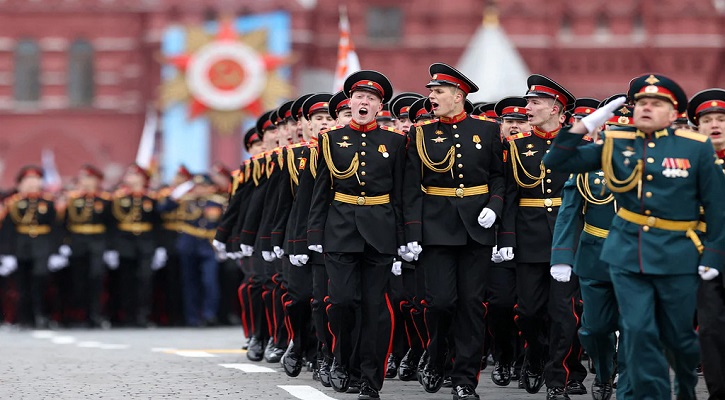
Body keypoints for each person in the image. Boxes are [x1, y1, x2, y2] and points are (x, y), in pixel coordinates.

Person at [543, 74, 725, 400]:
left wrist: (712, 255)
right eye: (642, 102)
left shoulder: (695, 148)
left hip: (677, 255)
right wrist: (585, 126)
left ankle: (685, 388)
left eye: (656, 104)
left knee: (680, 339)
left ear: (673, 113)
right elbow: (556, 160)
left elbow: (715, 208)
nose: (646, 108)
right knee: (638, 332)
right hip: (627, 253)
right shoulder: (616, 143)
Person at [402, 63, 504, 400]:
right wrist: (413, 233)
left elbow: (498, 176)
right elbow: (412, 187)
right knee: (441, 303)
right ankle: (436, 356)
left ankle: (465, 380)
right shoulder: (421, 134)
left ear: (458, 96)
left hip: (476, 227)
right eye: (431, 91)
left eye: (438, 92)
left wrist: (494, 205)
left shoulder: (488, 131)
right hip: (436, 228)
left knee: (472, 305)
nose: (431, 97)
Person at [308, 70, 406, 399]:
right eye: (359, 97)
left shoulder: (395, 142)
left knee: (375, 307)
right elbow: (321, 191)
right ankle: (342, 361)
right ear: (350, 102)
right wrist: (314, 234)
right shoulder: (330, 140)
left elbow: (401, 194)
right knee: (343, 302)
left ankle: (369, 377)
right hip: (340, 230)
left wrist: (404, 237)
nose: (364, 102)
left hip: (379, 230)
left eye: (372, 99)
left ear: (381, 107)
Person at [498, 74, 588, 399]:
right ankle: (533, 355)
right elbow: (509, 195)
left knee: (564, 312)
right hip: (529, 236)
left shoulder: (580, 147)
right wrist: (506, 239)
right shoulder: (516, 146)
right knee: (529, 312)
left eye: (535, 103)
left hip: (567, 238)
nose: (528, 107)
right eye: (528, 102)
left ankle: (557, 380)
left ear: (558, 111)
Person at [488, 96, 530, 387]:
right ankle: (503, 357)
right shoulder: (491, 152)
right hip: (492, 237)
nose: (514, 127)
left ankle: (527, 361)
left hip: (529, 236)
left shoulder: (535, 151)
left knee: (531, 307)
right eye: (509, 122)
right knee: (500, 304)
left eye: (520, 122)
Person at [687, 88, 725, 400]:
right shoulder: (687, 167)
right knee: (710, 329)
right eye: (707, 120)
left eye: (721, 119)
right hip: (701, 257)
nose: (714, 124)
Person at [0, 166, 62, 328]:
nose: (33, 183)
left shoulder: (48, 202)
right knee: (22, 284)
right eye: (28, 180)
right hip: (20, 245)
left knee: (40, 279)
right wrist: (6, 253)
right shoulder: (13, 202)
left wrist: (56, 251)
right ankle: (24, 318)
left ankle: (41, 314)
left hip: (42, 245)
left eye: (36, 179)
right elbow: (8, 229)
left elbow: (55, 228)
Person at [62, 164, 113, 328]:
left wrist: (111, 247)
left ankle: (95, 314)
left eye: (90, 178)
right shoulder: (71, 199)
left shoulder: (105, 200)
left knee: (96, 277)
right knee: (77, 279)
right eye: (84, 178)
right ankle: (78, 314)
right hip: (77, 242)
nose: (86, 182)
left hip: (97, 242)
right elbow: (63, 223)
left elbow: (111, 224)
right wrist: (63, 244)